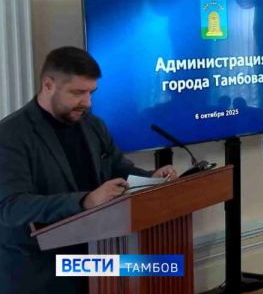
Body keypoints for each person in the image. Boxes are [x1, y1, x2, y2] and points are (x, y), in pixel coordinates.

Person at [0, 47, 178, 294]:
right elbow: (11, 207)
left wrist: (150, 177)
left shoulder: (93, 125)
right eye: (78, 93)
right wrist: (85, 201)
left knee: (167, 268)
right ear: (48, 85)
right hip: (39, 270)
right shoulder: (10, 134)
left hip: (99, 256)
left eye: (91, 93)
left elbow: (117, 168)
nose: (87, 103)